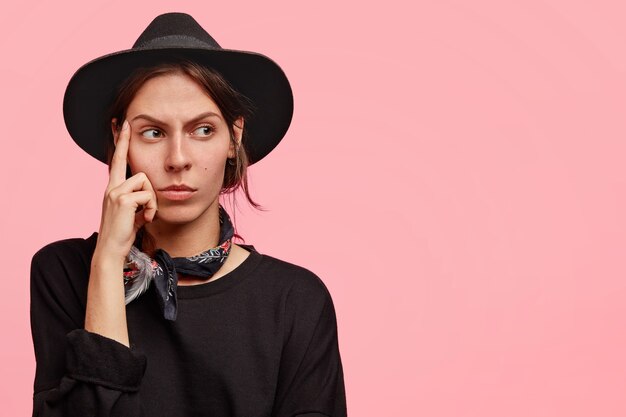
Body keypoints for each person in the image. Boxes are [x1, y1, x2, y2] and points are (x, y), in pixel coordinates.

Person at [29, 12, 346, 417]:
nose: (178, 159)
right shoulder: (65, 274)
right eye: (153, 132)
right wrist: (107, 263)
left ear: (234, 138)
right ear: (119, 139)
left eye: (202, 130)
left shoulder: (295, 300)